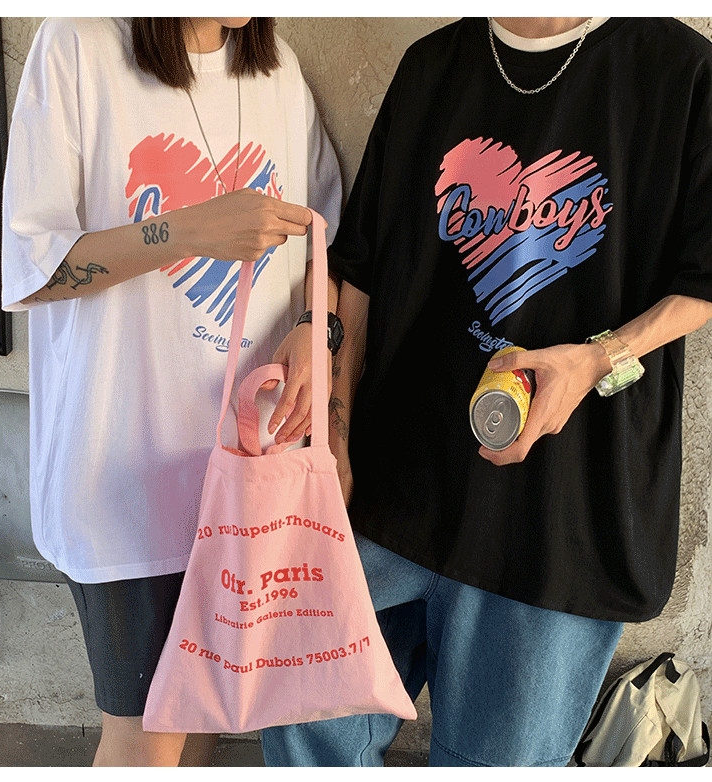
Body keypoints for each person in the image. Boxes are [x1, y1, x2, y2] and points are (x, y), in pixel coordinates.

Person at [261, 16, 712, 767]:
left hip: (558, 527)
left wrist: (597, 359)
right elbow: (362, 267)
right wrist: (333, 439)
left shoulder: (681, 70)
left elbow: (703, 278)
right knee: (303, 733)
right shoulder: (432, 65)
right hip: (389, 497)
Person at [1, 16, 341, 767]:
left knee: (205, 720)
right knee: (145, 736)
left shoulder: (276, 69)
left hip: (248, 479)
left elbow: (325, 242)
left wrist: (317, 328)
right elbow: (32, 269)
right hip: (124, 479)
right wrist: (184, 231)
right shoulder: (78, 45)